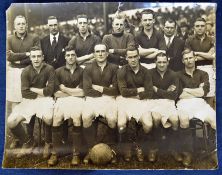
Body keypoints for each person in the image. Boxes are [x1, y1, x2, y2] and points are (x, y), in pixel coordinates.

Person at [7, 46, 55, 158]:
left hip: (45, 100)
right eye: (33, 56)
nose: (36, 59)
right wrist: (42, 91)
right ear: (31, 58)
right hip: (29, 100)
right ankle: (28, 142)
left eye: (39, 56)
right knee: (11, 121)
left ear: (43, 57)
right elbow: (24, 93)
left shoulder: (49, 69)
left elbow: (49, 92)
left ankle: (48, 143)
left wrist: (32, 89)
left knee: (48, 119)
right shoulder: (25, 71)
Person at [176, 49, 216, 167]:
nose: (189, 61)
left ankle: (215, 150)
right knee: (183, 120)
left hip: (200, 103)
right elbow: (179, 94)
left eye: (191, 58)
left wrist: (187, 89)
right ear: (183, 61)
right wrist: (196, 91)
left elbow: (203, 92)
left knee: (215, 120)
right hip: (183, 103)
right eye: (186, 59)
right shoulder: (177, 75)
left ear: (195, 58)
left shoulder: (203, 74)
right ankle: (188, 153)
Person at [6, 15, 40, 149]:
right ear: (14, 26)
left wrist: (18, 58)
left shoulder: (34, 38)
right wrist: (27, 54)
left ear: (26, 25)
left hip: (28, 73)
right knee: (15, 104)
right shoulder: (9, 39)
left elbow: (35, 57)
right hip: (14, 74)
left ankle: (29, 138)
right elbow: (8, 56)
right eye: (18, 24)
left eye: (23, 24)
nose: (21, 26)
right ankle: (18, 138)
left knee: (27, 104)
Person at [82, 43, 119, 164]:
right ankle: (91, 149)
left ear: (107, 53)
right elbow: (87, 90)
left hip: (109, 100)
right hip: (92, 99)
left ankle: (111, 149)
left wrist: (98, 88)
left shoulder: (114, 68)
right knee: (86, 117)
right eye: (97, 52)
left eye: (103, 51)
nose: (101, 54)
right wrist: (106, 90)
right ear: (94, 54)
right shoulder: (87, 68)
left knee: (112, 119)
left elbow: (116, 90)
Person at [47, 46, 84, 166]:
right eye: (68, 55)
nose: (70, 57)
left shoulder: (83, 71)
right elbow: (56, 93)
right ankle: (55, 153)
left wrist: (65, 89)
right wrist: (74, 91)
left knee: (77, 118)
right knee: (56, 118)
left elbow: (83, 92)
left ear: (76, 56)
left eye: (73, 55)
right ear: (65, 57)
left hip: (78, 101)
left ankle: (76, 154)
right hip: (63, 100)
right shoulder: (58, 71)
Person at [117, 47, 154, 162]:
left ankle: (139, 147)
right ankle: (127, 147)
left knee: (148, 125)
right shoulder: (122, 71)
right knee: (121, 124)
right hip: (125, 101)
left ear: (139, 57)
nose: (133, 60)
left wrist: (137, 94)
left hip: (142, 101)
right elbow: (123, 92)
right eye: (130, 57)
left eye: (135, 57)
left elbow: (149, 92)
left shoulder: (146, 71)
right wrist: (139, 90)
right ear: (126, 58)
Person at [41, 16, 70, 159]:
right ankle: (48, 142)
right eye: (50, 25)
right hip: (48, 79)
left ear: (58, 25)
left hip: (62, 78)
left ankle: (63, 138)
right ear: (48, 26)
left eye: (55, 25)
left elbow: (69, 60)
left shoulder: (66, 40)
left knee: (61, 106)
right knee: (48, 108)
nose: (53, 27)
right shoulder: (43, 41)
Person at [149, 52, 180, 163]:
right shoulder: (150, 73)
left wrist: (157, 90)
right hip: (154, 103)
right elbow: (149, 93)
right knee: (156, 119)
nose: (162, 65)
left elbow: (174, 95)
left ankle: (172, 148)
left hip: (169, 103)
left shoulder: (174, 75)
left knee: (175, 120)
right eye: (159, 62)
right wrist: (166, 91)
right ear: (155, 62)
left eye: (164, 62)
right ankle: (154, 148)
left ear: (168, 62)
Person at [185, 17, 215, 105]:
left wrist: (196, 53)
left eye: (202, 26)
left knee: (209, 94)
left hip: (208, 69)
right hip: (194, 69)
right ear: (194, 27)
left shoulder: (211, 39)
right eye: (197, 26)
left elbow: (212, 57)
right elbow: (189, 56)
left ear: (206, 27)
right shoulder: (189, 40)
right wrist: (207, 55)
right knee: (197, 94)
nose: (200, 28)